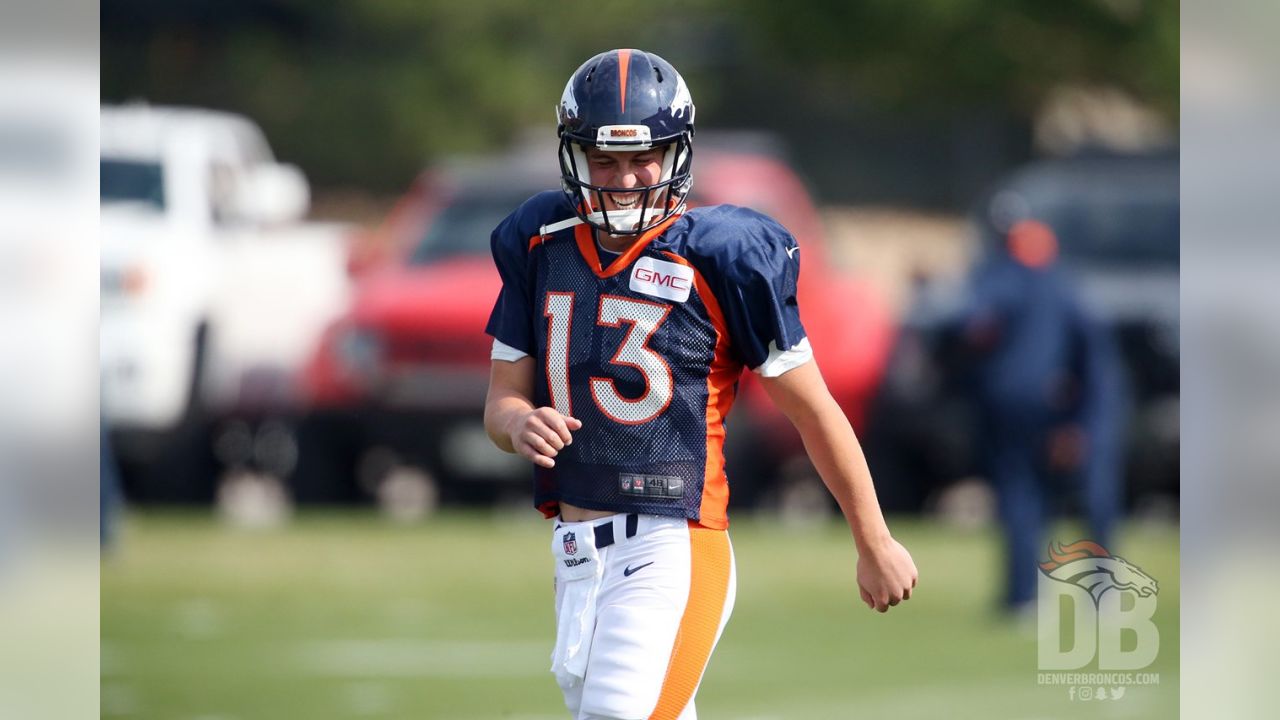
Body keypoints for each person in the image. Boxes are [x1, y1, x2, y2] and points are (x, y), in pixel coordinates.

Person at [483, 48, 917, 720]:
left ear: (677, 155)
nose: (625, 179)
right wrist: (516, 423)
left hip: (670, 544)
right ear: (574, 158)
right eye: (605, 161)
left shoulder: (720, 256)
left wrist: (873, 538)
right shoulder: (541, 242)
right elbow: (501, 403)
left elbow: (814, 412)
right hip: (575, 560)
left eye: (641, 160)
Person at [957, 219, 1127, 613]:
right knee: (1060, 497)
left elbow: (969, 328)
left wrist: (1078, 425)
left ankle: (1028, 595)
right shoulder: (1066, 286)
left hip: (1060, 409)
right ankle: (1088, 592)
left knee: (1037, 495)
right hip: (1059, 408)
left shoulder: (1003, 281)